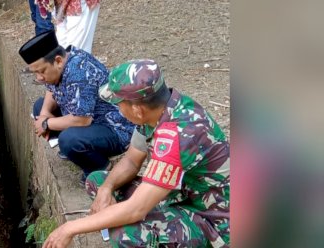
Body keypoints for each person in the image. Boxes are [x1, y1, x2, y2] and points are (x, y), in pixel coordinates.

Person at [42, 59, 230, 248]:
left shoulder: (178, 134)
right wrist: (107, 189)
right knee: (98, 182)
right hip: (182, 194)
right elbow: (132, 160)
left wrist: (69, 228)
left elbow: (136, 210)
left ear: (137, 109)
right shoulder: (161, 110)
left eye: (118, 104)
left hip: (213, 221)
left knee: (126, 234)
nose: (119, 110)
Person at [18, 31, 136, 185]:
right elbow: (51, 88)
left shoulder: (79, 72)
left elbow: (82, 120)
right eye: (35, 73)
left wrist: (46, 123)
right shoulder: (62, 61)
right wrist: (45, 113)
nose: (39, 78)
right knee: (39, 107)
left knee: (69, 140)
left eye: (41, 71)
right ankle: (78, 149)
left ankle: (100, 167)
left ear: (58, 61)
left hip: (113, 127)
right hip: (88, 117)